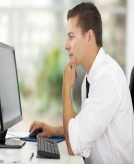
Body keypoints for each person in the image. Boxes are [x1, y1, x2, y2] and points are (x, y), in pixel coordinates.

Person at [29, 2, 134, 164]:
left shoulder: (108, 78)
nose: (66, 45)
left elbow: (73, 146)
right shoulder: (91, 77)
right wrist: (54, 130)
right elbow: (84, 126)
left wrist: (66, 89)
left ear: (89, 36)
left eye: (71, 37)